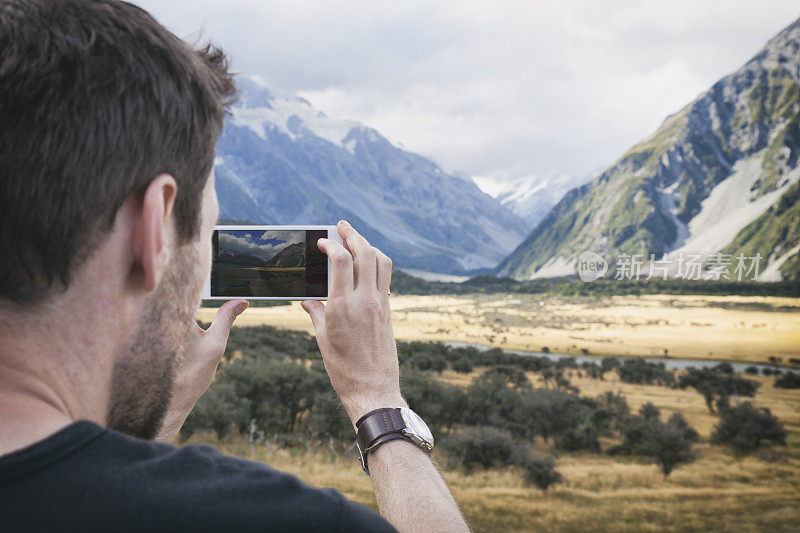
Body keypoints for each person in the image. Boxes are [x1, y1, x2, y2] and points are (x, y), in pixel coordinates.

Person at [0, 1, 469, 531]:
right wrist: (375, 395)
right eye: (205, 235)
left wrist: (163, 404)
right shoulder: (273, 520)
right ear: (152, 229)